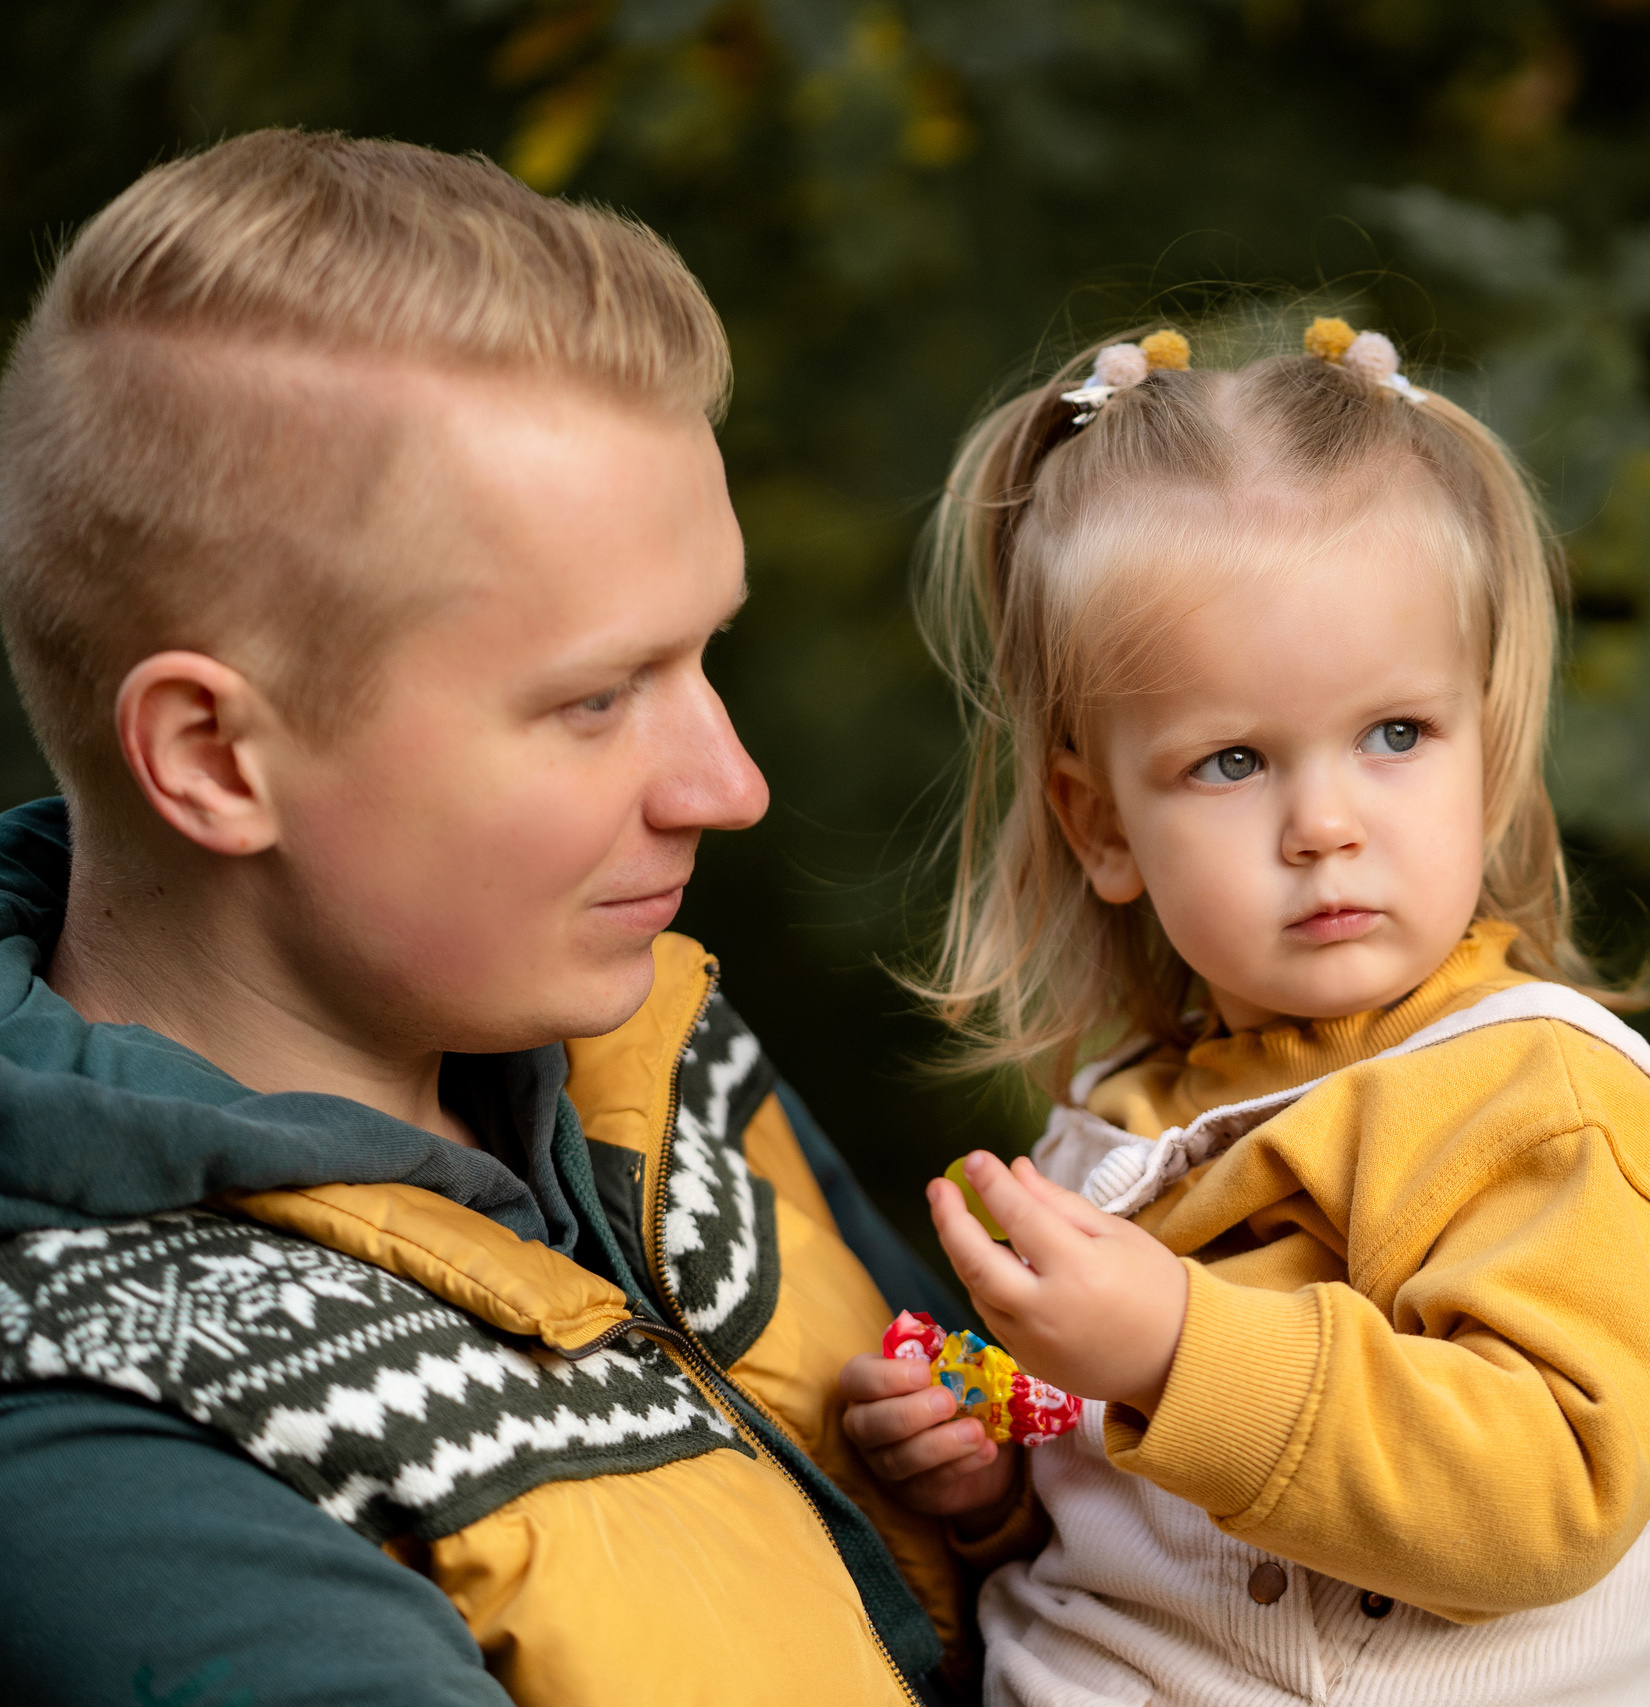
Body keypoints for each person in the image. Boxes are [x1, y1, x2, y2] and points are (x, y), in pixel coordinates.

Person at [0, 130, 1002, 1705]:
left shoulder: (648, 1038)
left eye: (704, 655)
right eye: (596, 699)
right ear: (213, 758)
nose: (727, 785)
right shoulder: (93, 1438)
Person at [839, 319, 1650, 1705]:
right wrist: (989, 1483)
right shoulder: (1121, 1119)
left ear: (1491, 753)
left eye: (1396, 735)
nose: (1325, 825)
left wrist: (1173, 1348)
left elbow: (1547, 1496)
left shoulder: (1545, 1111)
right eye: (1230, 762)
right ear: (1101, 828)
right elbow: (1131, 1548)